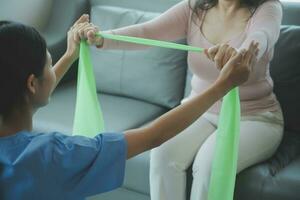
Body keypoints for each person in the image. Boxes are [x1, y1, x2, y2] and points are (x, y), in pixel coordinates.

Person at [0, 13, 257, 200]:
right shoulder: (53, 156)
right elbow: (153, 136)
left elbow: (28, 93)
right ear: (32, 84)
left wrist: (69, 56)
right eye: (49, 62)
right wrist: (222, 86)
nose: (51, 67)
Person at [83, 0, 284, 199]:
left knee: (210, 164)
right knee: (162, 154)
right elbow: (147, 32)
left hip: (255, 117)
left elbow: (261, 37)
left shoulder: (268, 9)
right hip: (201, 110)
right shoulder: (194, 7)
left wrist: (240, 55)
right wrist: (101, 38)